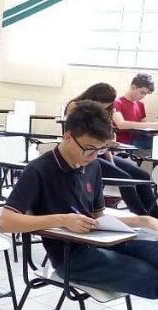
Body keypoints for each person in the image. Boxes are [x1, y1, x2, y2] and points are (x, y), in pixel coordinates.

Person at [0, 100, 158, 298]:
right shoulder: (39, 170)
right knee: (151, 278)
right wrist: (62, 219)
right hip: (71, 256)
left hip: (100, 241)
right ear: (67, 137)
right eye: (89, 149)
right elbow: (5, 223)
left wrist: (143, 220)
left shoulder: (93, 165)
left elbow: (98, 218)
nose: (93, 156)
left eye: (100, 150)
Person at [65, 83, 158, 218]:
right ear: (94, 98)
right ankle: (141, 215)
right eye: (103, 104)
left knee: (142, 175)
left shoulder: (104, 110)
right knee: (125, 178)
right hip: (87, 153)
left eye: (107, 105)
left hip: (102, 151)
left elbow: (106, 137)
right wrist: (105, 144)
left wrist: (111, 157)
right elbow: (82, 136)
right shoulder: (76, 106)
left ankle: (154, 213)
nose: (105, 107)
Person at [113, 72, 156, 151]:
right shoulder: (116, 102)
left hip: (139, 141)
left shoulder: (140, 105)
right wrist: (154, 125)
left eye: (145, 94)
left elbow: (145, 127)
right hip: (123, 143)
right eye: (142, 92)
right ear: (133, 87)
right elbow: (121, 124)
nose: (143, 96)